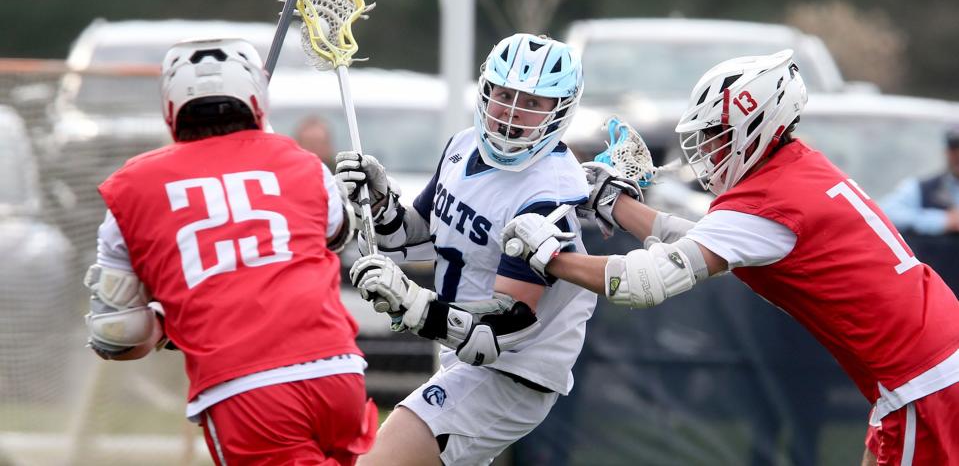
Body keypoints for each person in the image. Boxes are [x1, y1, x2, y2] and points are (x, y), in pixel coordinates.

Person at [501, 50, 959, 466]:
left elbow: (642, 282)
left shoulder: (768, 201)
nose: (709, 149)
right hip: (927, 366)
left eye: (717, 135)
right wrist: (617, 204)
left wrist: (550, 257)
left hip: (922, 381)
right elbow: (708, 237)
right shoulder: (793, 171)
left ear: (757, 125)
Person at [83, 38, 377, 465]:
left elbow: (117, 333)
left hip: (247, 388)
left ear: (171, 105)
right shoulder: (300, 162)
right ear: (256, 96)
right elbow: (336, 232)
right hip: (338, 373)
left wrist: (171, 321)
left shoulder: (133, 187)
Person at [337, 33, 597, 466]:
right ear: (486, 91)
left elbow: (502, 328)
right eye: (506, 95)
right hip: (467, 359)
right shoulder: (464, 147)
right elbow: (414, 235)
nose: (512, 113)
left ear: (560, 110)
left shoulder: (549, 194)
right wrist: (381, 206)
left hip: (513, 371)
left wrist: (415, 303)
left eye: (532, 103)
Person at [880, 127, 959, 235]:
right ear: (946, 152)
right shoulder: (922, 188)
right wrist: (943, 220)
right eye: (954, 149)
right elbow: (886, 213)